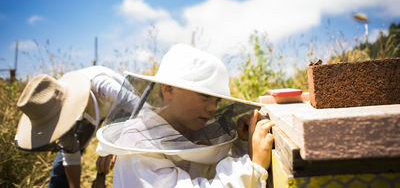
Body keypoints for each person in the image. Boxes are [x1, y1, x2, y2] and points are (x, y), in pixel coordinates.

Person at [96, 44, 275, 187]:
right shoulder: (138, 144)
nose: (213, 108)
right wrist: (253, 169)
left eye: (217, 101)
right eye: (205, 97)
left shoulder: (194, 132)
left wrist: (243, 143)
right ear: (169, 89)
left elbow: (212, 171)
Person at [14, 66, 136, 188]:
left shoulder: (104, 86)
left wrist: (114, 144)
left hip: (122, 109)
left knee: (127, 162)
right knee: (60, 169)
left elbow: (142, 110)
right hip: (93, 111)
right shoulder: (51, 110)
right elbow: (70, 156)